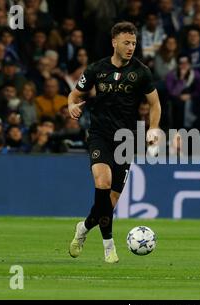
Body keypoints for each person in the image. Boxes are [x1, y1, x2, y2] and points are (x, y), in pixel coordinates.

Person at [67, 22, 161, 264]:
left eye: (133, 43)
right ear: (114, 43)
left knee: (107, 204)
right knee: (103, 181)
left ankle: (83, 229)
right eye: (126, 43)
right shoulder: (96, 70)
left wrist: (153, 127)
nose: (131, 47)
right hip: (99, 135)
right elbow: (75, 94)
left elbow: (155, 104)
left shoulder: (141, 72)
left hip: (126, 140)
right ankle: (109, 247)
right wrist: (71, 106)